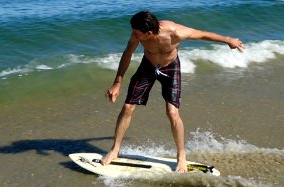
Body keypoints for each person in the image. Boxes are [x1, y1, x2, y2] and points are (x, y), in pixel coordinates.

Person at [102, 11, 244, 172]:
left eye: (136, 32)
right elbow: (127, 54)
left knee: (172, 112)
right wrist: (117, 83)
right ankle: (115, 150)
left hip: (171, 67)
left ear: (148, 33)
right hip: (148, 66)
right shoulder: (137, 35)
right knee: (128, 107)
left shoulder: (176, 32)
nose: (133, 35)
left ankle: (181, 156)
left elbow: (203, 35)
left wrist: (228, 40)